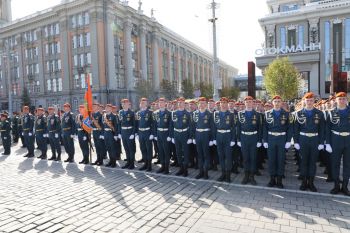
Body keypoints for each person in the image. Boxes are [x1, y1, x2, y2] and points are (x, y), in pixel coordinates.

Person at [294, 92, 325, 192]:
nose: (309, 102)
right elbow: (296, 129)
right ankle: (304, 182)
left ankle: (311, 182)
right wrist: (296, 142)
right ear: (304, 101)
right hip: (303, 139)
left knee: (312, 162)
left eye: (311, 100)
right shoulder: (299, 113)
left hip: (315, 140)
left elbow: (322, 129)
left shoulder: (319, 113)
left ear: (314, 101)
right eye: (307, 100)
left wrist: (321, 142)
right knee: (303, 161)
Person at [263, 96, 292, 188]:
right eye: (275, 101)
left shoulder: (287, 114)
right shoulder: (267, 114)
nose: (277, 103)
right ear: (272, 103)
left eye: (279, 101)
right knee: (271, 159)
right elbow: (264, 128)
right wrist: (265, 140)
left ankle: (279, 180)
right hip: (271, 138)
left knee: (280, 159)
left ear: (281, 102)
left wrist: (288, 141)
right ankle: (272, 179)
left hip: (282, 138)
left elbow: (290, 128)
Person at [326, 92, 350, 196]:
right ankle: (336, 185)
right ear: (336, 100)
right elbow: (327, 129)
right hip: (336, 139)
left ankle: (345, 186)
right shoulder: (331, 112)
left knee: (347, 165)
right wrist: (328, 143)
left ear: (347, 100)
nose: (342, 100)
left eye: (344, 99)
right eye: (340, 99)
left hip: (348, 139)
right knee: (335, 164)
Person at [237, 96, 262, 185]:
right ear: (245, 103)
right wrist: (238, 139)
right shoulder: (240, 114)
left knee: (253, 158)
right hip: (244, 137)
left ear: (253, 103)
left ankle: (252, 177)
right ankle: (246, 176)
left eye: (250, 102)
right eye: (247, 102)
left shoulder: (257, 114)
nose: (248, 103)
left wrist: (259, 140)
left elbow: (260, 128)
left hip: (254, 137)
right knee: (245, 158)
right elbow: (238, 127)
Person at [213, 97, 236, 183]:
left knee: (228, 156)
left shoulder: (231, 114)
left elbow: (233, 128)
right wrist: (214, 138)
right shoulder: (216, 114)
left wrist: (233, 139)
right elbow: (214, 127)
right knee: (221, 156)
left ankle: (228, 175)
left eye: (224, 103)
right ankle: (223, 174)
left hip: (227, 136)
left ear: (227, 104)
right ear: (220, 104)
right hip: (219, 136)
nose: (223, 104)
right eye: (221, 103)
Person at [192, 97, 214, 179]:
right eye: (200, 103)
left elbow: (212, 127)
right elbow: (193, 126)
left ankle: (206, 172)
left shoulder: (209, 114)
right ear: (198, 104)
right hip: (198, 135)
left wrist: (211, 139)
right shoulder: (195, 113)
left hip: (206, 135)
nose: (201, 105)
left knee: (206, 155)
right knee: (199, 155)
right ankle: (200, 172)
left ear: (206, 104)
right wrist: (193, 137)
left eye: (203, 103)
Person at [171, 97, 192, 177]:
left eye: (182, 102)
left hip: (184, 133)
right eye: (179, 103)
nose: (180, 104)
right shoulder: (174, 113)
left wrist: (190, 137)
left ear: (184, 104)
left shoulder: (187, 113)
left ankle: (186, 169)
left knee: (185, 152)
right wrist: (172, 136)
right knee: (178, 152)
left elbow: (190, 126)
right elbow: (171, 125)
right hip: (176, 134)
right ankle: (181, 168)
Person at [153, 98, 172, 174]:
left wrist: (169, 135)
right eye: (159, 103)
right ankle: (162, 166)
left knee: (166, 151)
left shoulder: (169, 113)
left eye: (162, 103)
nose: (160, 104)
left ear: (165, 104)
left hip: (166, 133)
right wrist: (155, 134)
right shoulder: (156, 113)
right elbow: (154, 125)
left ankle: (166, 168)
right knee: (160, 151)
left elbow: (171, 125)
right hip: (159, 133)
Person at [136, 98, 154, 171]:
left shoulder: (150, 112)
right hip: (141, 133)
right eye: (141, 103)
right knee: (142, 148)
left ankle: (149, 165)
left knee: (149, 149)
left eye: (144, 103)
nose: (142, 104)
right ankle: (145, 163)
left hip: (148, 132)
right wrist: (137, 133)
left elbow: (153, 124)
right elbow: (137, 124)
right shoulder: (138, 113)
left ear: (147, 104)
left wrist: (152, 134)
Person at [119, 99, 136, 169]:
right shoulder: (120, 112)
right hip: (123, 132)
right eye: (122, 104)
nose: (123, 105)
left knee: (131, 149)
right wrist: (119, 133)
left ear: (128, 104)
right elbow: (119, 124)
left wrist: (133, 134)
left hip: (129, 132)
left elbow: (135, 124)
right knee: (126, 148)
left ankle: (132, 163)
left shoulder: (132, 113)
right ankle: (128, 162)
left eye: (124, 103)